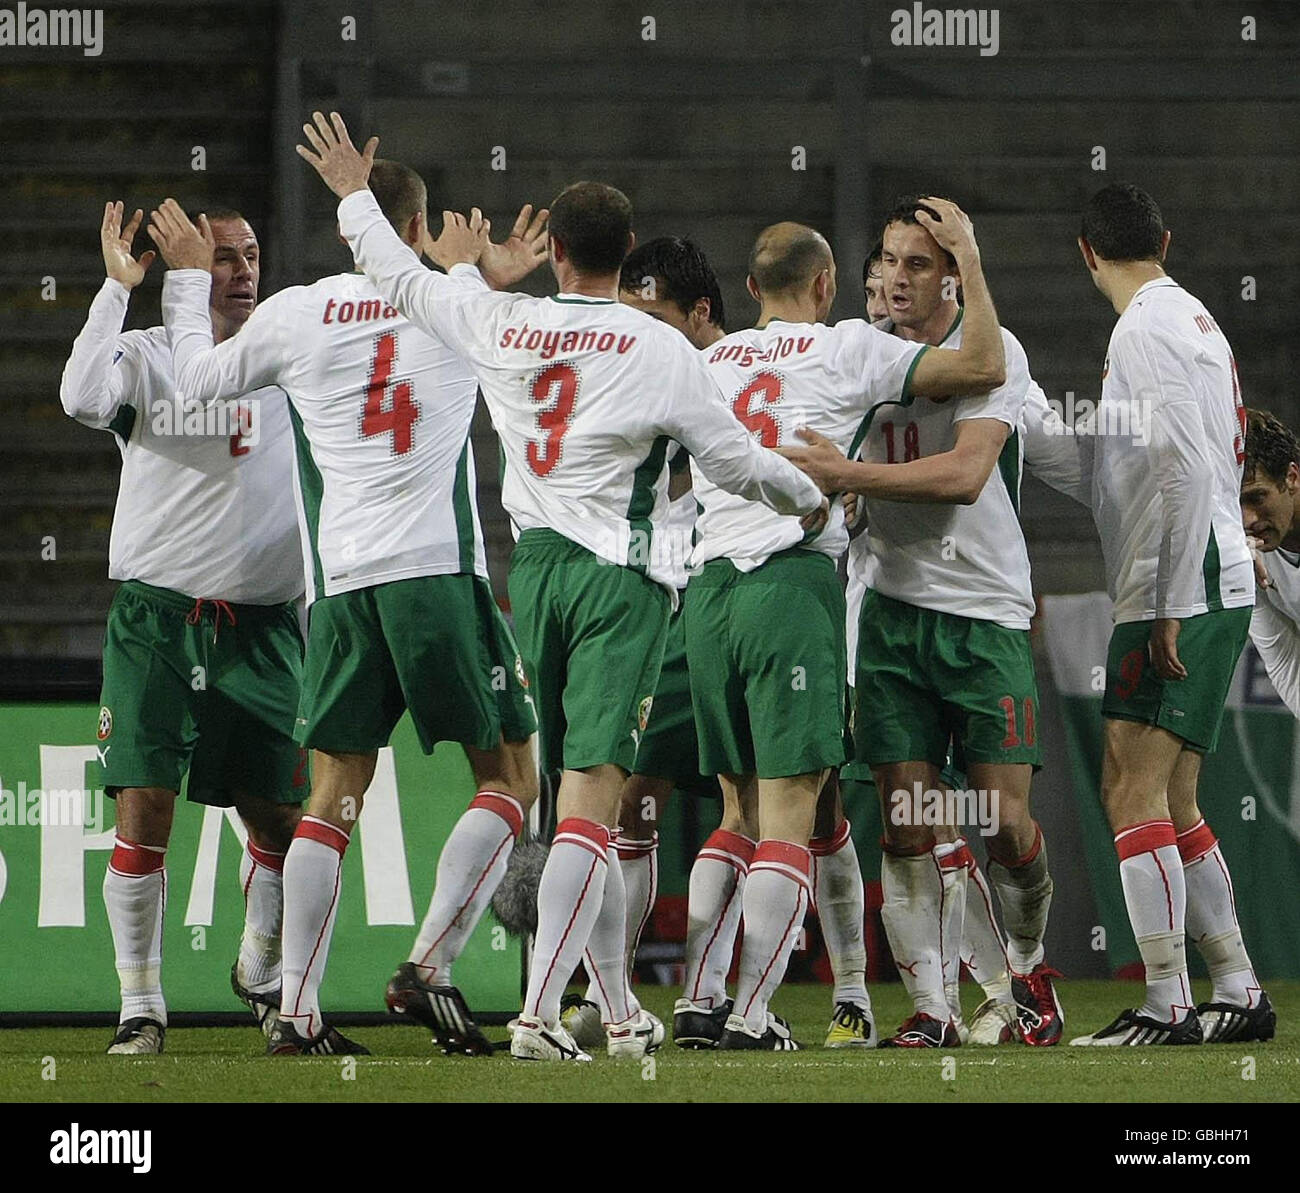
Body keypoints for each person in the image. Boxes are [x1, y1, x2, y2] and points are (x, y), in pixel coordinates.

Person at [298, 111, 828, 1061]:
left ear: (560, 258)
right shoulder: (660, 348)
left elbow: (399, 277)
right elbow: (742, 466)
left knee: (559, 801)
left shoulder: (503, 320)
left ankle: (615, 1007)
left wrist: (351, 199)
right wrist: (812, 497)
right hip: (619, 582)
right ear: (627, 255)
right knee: (592, 801)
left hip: (530, 578)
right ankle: (540, 1014)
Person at [147, 161, 550, 1056]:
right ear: (420, 228)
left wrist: (183, 281)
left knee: (333, 793)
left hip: (337, 591)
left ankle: (295, 1009)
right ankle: (430, 963)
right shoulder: (450, 301)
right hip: (436, 575)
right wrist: (479, 274)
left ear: (351, 231)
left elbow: (198, 381)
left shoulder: (294, 311)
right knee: (513, 776)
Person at [686, 203, 1007, 1050]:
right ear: (828, 286)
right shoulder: (846, 345)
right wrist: (968, 257)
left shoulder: (706, 359)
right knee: (791, 812)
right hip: (791, 585)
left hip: (707, 588)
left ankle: (705, 997)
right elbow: (985, 359)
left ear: (751, 287)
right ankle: (753, 1016)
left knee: (741, 809)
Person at [779, 195, 1062, 1047]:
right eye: (890, 262)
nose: (899, 279)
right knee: (905, 825)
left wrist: (850, 477)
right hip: (893, 615)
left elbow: (966, 475)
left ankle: (1025, 963)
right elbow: (828, 487)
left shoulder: (992, 350)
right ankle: (933, 1010)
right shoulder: (857, 359)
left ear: (952, 275)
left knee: (1006, 822)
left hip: (982, 613)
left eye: (920, 264)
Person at [60, 201, 305, 1054]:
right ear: (187, 273)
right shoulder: (152, 354)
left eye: (251, 255)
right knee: (145, 812)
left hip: (266, 628)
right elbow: (79, 394)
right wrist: (114, 290)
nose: (244, 272)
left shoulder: (284, 354)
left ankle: (264, 975)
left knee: (279, 821)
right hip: (159, 622)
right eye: (223, 259)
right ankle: (141, 1006)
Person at [1068, 183, 1260, 1045]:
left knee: (1129, 782)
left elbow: (1180, 468)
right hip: (1208, 564)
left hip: (1182, 575)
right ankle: (1237, 986)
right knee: (1173, 792)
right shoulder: (1195, 318)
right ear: (1167, 239)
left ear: (1085, 253)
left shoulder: (1140, 328)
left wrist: (1172, 597)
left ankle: (1166, 1002)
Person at [557, 236, 740, 1053]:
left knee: (777, 807)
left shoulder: (738, 369)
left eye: (660, 317)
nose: (645, 333)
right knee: (630, 803)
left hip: (746, 603)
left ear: (701, 313)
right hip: (665, 603)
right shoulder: (639, 365)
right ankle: (612, 990)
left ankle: (811, 993)